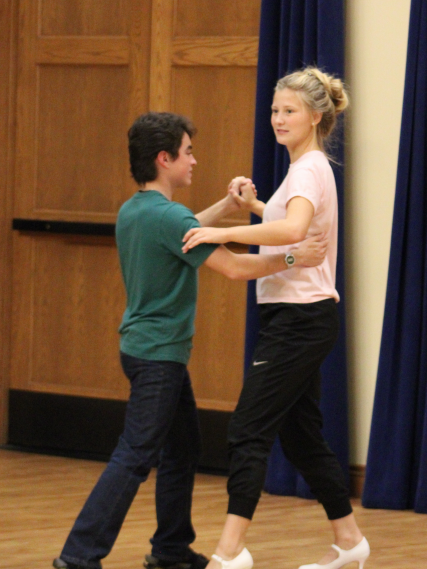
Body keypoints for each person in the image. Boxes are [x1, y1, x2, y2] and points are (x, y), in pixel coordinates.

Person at [53, 112, 329, 569]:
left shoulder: (136, 210)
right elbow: (237, 268)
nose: (194, 161)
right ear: (165, 159)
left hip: (146, 351)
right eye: (188, 152)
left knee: (182, 448)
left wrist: (224, 209)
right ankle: (78, 556)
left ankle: (171, 550)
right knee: (136, 455)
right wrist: (295, 256)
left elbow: (181, 231)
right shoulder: (168, 216)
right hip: (159, 357)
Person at [180, 67, 367, 569]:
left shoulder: (308, 168)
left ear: (316, 116)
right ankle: (350, 541)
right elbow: (289, 224)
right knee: (302, 438)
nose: (278, 119)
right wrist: (254, 205)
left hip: (301, 318)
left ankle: (229, 550)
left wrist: (222, 234)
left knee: (247, 429)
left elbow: (295, 230)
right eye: (274, 111)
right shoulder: (306, 167)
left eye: (289, 111)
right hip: (296, 314)